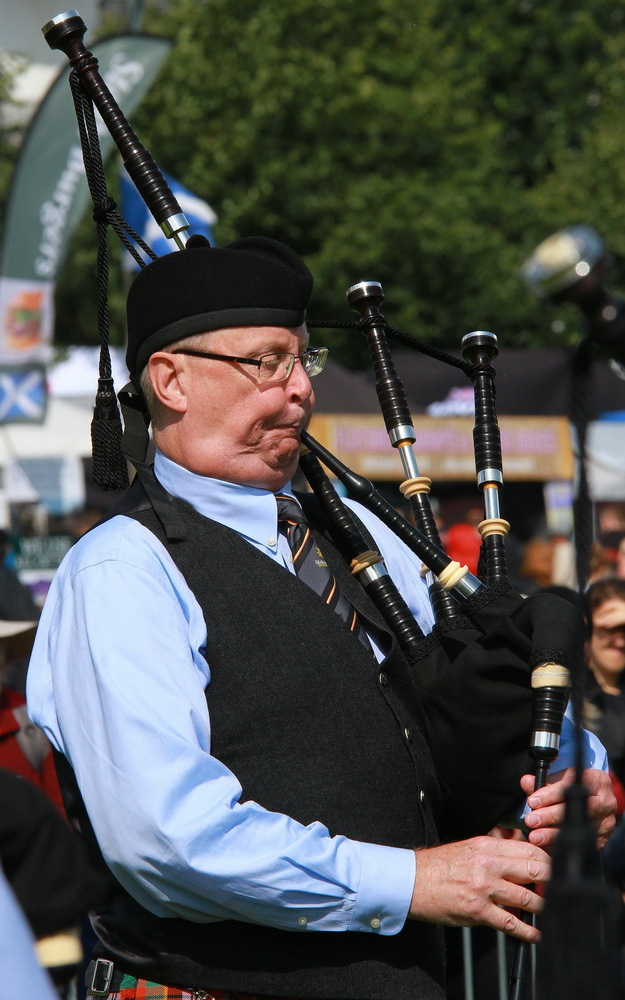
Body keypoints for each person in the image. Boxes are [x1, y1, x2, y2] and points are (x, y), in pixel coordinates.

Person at [27, 237, 615, 1000]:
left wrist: (569, 769)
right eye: (266, 362)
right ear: (171, 381)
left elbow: (474, 686)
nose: (301, 388)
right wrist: (411, 880)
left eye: (301, 359)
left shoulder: (359, 535)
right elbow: (167, 837)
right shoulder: (121, 570)